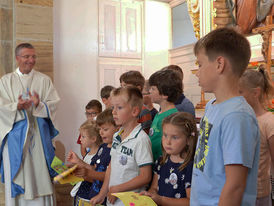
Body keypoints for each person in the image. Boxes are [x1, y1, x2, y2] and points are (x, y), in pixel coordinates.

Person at [190, 28, 260, 206]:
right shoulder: (212, 106)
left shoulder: (237, 116)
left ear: (219, 64)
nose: (197, 71)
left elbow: (235, 185)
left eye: (200, 64)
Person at [0, 43, 60, 205]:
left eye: (33, 56)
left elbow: (54, 103)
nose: (31, 60)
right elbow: (1, 107)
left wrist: (39, 105)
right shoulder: (6, 81)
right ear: (17, 58)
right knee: (19, 173)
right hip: (15, 139)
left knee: (41, 176)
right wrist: (15, 107)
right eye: (26, 56)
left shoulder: (43, 80)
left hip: (39, 139)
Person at [90, 87, 153, 206]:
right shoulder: (116, 136)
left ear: (134, 111)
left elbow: (146, 176)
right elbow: (111, 168)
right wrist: (102, 194)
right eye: (113, 107)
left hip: (129, 201)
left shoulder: (141, 140)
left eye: (119, 108)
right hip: (113, 200)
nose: (113, 112)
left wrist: (118, 189)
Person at [141, 112, 198, 206]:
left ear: (188, 140)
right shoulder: (161, 161)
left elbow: (190, 201)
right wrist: (149, 195)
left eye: (175, 137)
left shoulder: (190, 167)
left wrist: (161, 200)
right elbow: (154, 188)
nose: (168, 142)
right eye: (165, 135)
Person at [239, 65, 274, 206]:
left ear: (255, 93)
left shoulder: (268, 122)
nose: (237, 97)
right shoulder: (241, 117)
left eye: (240, 92)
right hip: (240, 189)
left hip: (259, 193)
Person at [68, 109, 117, 206]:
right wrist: (78, 162)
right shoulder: (103, 148)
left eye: (105, 129)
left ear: (117, 128)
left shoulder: (116, 150)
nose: (101, 133)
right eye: (100, 129)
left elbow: (109, 175)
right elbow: (94, 169)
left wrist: (86, 174)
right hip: (93, 195)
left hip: (104, 197)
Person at [148, 69, 182, 161]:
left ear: (165, 94)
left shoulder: (171, 117)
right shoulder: (159, 113)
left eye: (153, 89)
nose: (149, 91)